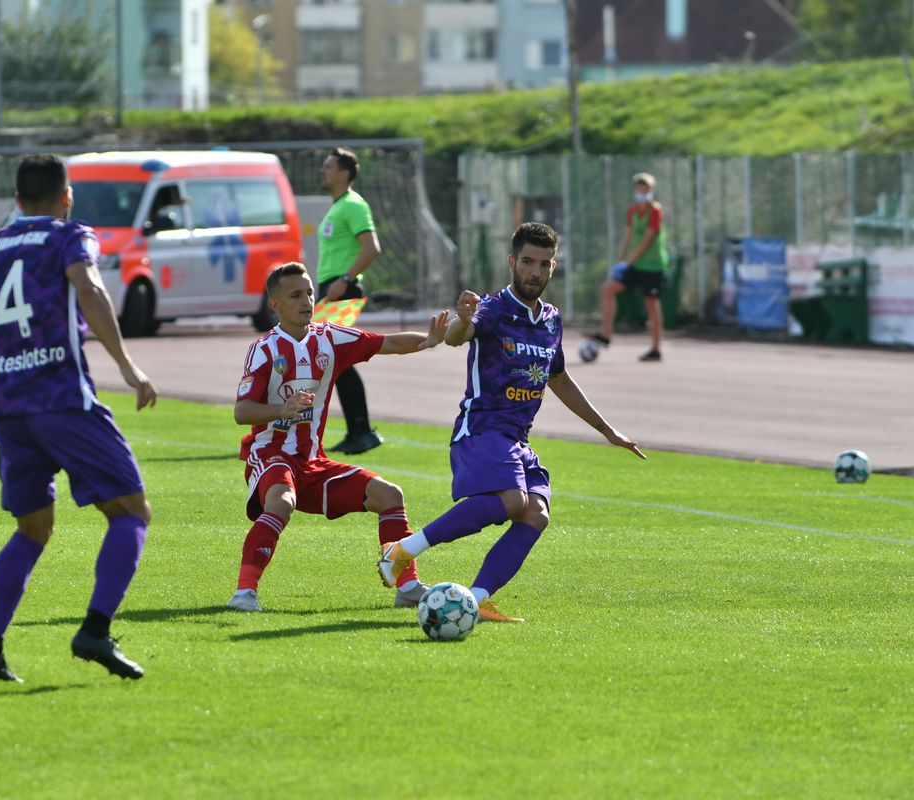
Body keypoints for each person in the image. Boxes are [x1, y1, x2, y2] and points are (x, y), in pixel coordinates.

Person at [0, 154, 158, 682]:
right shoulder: (70, 236)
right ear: (67, 196)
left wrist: (1, 378)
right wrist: (128, 367)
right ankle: (95, 631)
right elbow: (88, 287)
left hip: (11, 412)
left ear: (17, 201)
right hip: (62, 398)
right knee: (131, 511)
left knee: (33, 528)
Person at [378, 222, 645, 622]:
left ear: (553, 267)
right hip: (481, 428)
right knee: (511, 500)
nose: (534, 271)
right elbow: (456, 336)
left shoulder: (551, 321)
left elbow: (558, 379)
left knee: (535, 512)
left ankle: (477, 598)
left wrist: (607, 430)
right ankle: (402, 551)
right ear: (511, 262)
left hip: (517, 439)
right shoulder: (493, 308)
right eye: (526, 262)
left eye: (543, 264)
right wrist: (463, 318)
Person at [229, 262, 448, 612]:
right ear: (275, 305)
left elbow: (386, 342)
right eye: (296, 295)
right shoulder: (264, 349)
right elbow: (242, 412)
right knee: (281, 502)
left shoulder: (329, 337)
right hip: (271, 455)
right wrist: (280, 410)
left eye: (310, 293)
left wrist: (428, 341)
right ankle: (244, 594)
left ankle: (407, 588)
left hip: (314, 462)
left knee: (390, 495)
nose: (307, 301)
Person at [317, 146, 384, 454]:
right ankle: (356, 430)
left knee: (336, 358)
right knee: (334, 360)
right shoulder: (339, 205)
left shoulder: (354, 205)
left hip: (341, 289)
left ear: (344, 173)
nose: (323, 171)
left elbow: (371, 248)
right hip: (333, 288)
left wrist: (344, 281)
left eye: (329, 166)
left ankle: (362, 429)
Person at [586, 172, 669, 362]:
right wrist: (620, 261)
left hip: (652, 265)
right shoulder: (632, 211)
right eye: (639, 188)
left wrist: (629, 262)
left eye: (646, 188)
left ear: (651, 190)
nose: (642, 191)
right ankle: (605, 335)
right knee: (608, 289)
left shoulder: (655, 211)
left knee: (651, 304)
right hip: (634, 263)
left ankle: (656, 349)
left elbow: (647, 240)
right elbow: (629, 237)